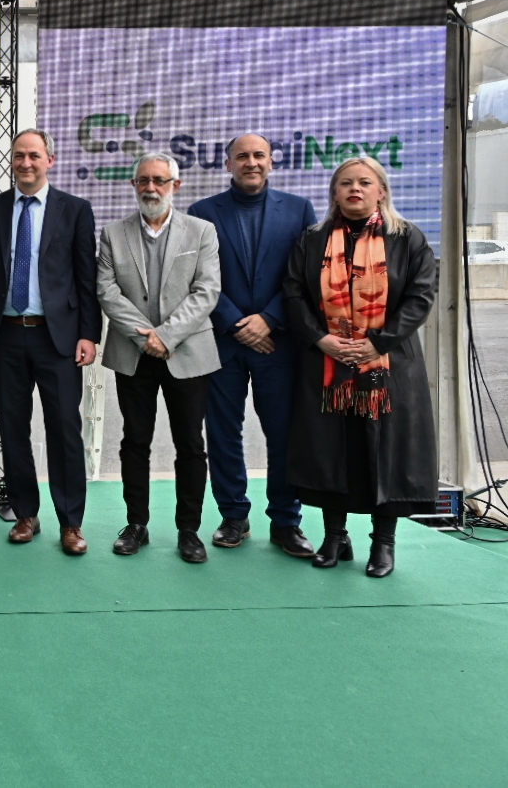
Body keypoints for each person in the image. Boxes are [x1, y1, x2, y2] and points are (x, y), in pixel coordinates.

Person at [283, 157, 437, 578]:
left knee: (382, 453)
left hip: (388, 366)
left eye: (364, 183)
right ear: (334, 192)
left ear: (381, 191)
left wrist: (375, 344)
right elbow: (294, 294)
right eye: (345, 183)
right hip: (327, 365)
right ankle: (334, 537)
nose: (355, 189)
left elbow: (420, 299)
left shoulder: (408, 239)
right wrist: (322, 339)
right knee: (334, 451)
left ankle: (383, 545)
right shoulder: (312, 241)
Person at [188, 134, 318, 559]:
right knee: (223, 434)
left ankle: (285, 522)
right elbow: (199, 278)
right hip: (222, 341)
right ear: (228, 164)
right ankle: (233, 516)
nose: (251, 162)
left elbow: (305, 275)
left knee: (283, 434)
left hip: (277, 344)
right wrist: (235, 321)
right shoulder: (202, 213)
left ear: (271, 162)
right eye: (242, 156)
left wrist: (270, 319)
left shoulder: (299, 210)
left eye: (258, 155)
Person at [0, 129, 100, 555]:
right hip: (5, 336)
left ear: (51, 159)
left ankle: (71, 522)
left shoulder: (75, 210)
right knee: (13, 429)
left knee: (64, 429)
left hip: (58, 338)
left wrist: (88, 333)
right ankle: (25, 513)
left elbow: (87, 277)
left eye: (34, 155)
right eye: (19, 156)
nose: (25, 163)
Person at [97, 153, 222, 563]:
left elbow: (206, 292)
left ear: (176, 185)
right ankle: (136, 524)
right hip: (134, 355)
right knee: (135, 442)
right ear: (134, 185)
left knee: (190, 445)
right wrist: (146, 338)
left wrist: (166, 337)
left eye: (160, 180)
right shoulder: (113, 234)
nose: (151, 187)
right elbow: (107, 292)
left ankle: (189, 530)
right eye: (144, 180)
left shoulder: (201, 231)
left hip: (186, 352)